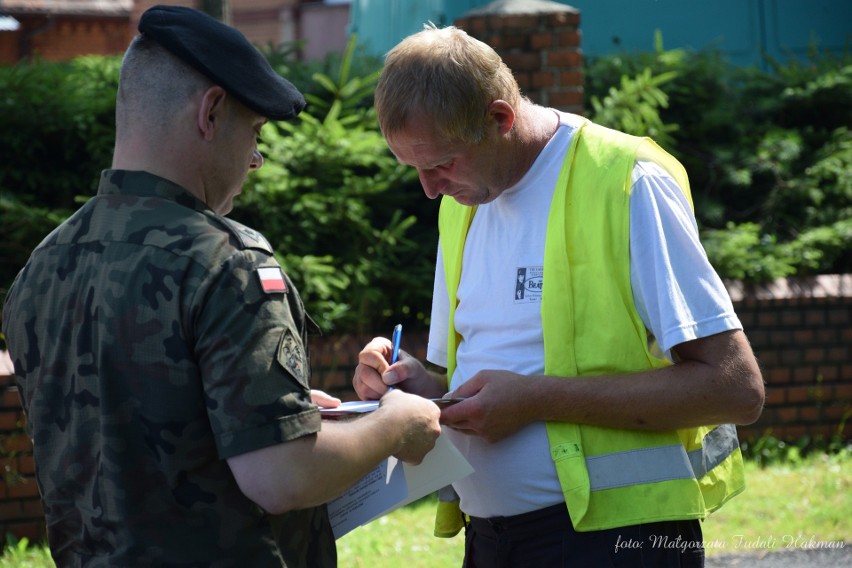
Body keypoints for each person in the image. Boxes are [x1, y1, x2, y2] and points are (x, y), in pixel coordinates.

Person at [1, 5, 441, 567]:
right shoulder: (227, 260)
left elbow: (124, 427)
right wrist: (395, 425)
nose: (257, 159)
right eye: (254, 130)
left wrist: (269, 412)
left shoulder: (41, 265)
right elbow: (281, 477)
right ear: (211, 112)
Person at [353, 24, 765, 567]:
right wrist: (418, 385)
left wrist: (535, 400)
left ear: (499, 118)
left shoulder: (627, 180)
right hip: (492, 540)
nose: (428, 188)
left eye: (440, 164)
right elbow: (486, 375)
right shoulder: (460, 202)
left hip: (622, 544)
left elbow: (736, 388)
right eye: (414, 169)